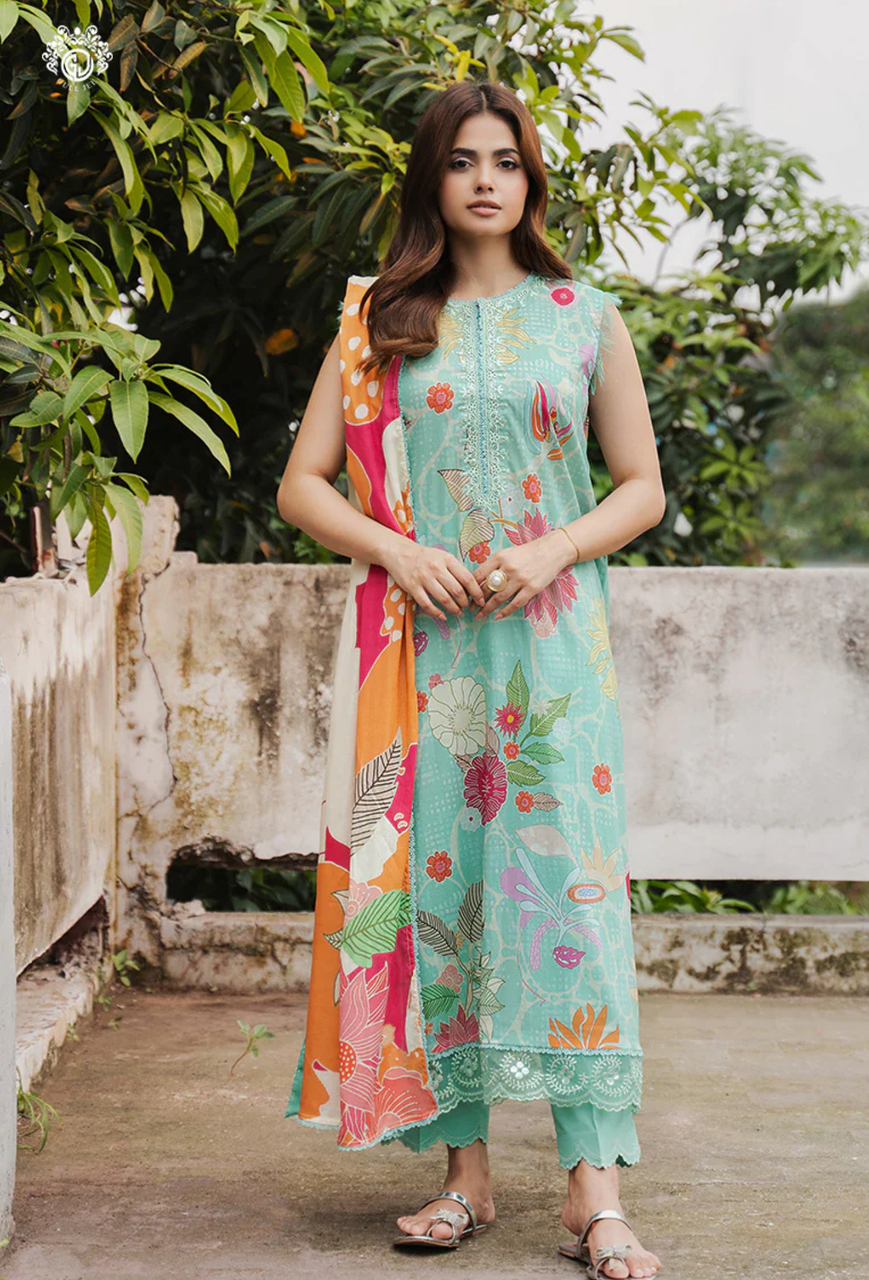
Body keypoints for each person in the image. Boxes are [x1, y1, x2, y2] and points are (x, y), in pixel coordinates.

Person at [277, 79, 665, 1280]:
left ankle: (593, 1191)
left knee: (567, 900)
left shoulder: (583, 315)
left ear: (530, 178)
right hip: (427, 656)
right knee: (438, 901)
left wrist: (551, 547)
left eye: (505, 159)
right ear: (430, 180)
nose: (485, 179)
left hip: (552, 661)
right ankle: (462, 1174)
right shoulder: (378, 321)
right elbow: (304, 484)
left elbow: (640, 484)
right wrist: (398, 548)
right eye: (461, 161)